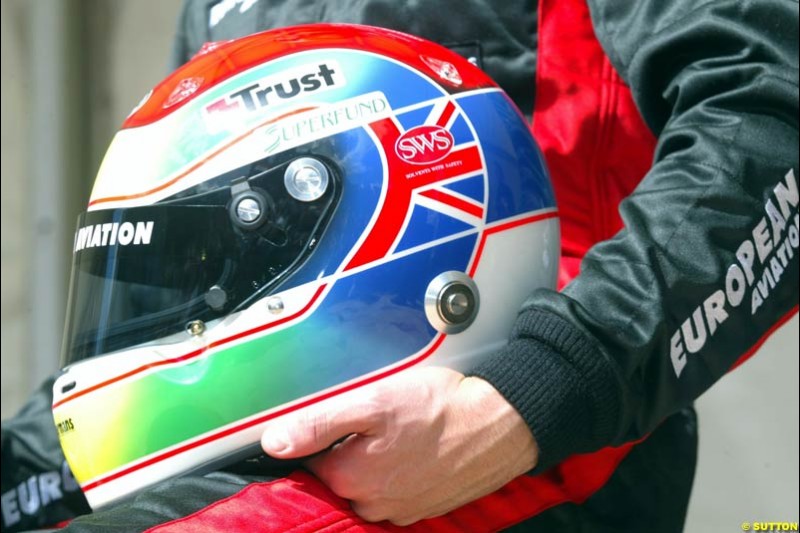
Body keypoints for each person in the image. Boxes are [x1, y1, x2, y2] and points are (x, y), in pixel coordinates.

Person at [2, 1, 798, 532]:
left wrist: (526, 398)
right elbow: (177, 284)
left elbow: (773, 109)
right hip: (242, 443)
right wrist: (28, 465)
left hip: (499, 453)